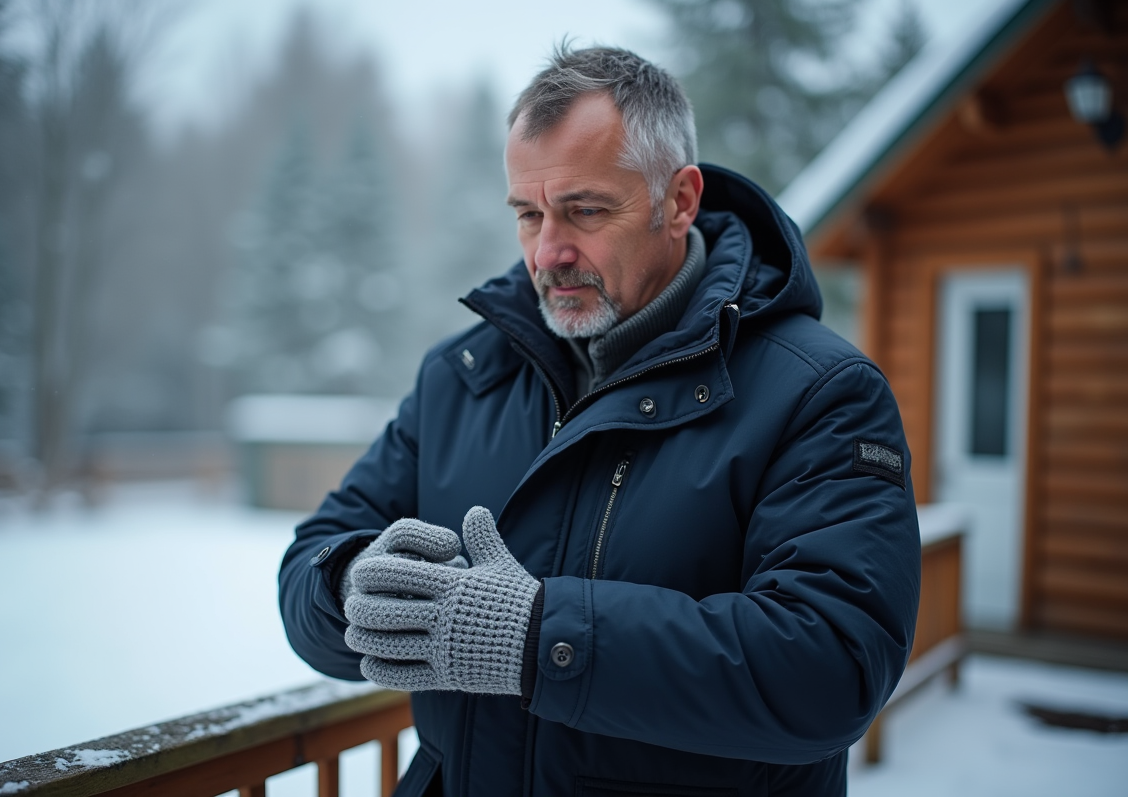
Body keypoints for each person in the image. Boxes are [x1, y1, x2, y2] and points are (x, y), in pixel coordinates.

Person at [279, 45, 920, 797]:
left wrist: (535, 636)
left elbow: (832, 666)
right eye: (528, 215)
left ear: (679, 200)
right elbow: (308, 566)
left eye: (584, 210)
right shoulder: (462, 375)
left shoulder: (822, 393)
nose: (548, 252)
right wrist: (354, 584)